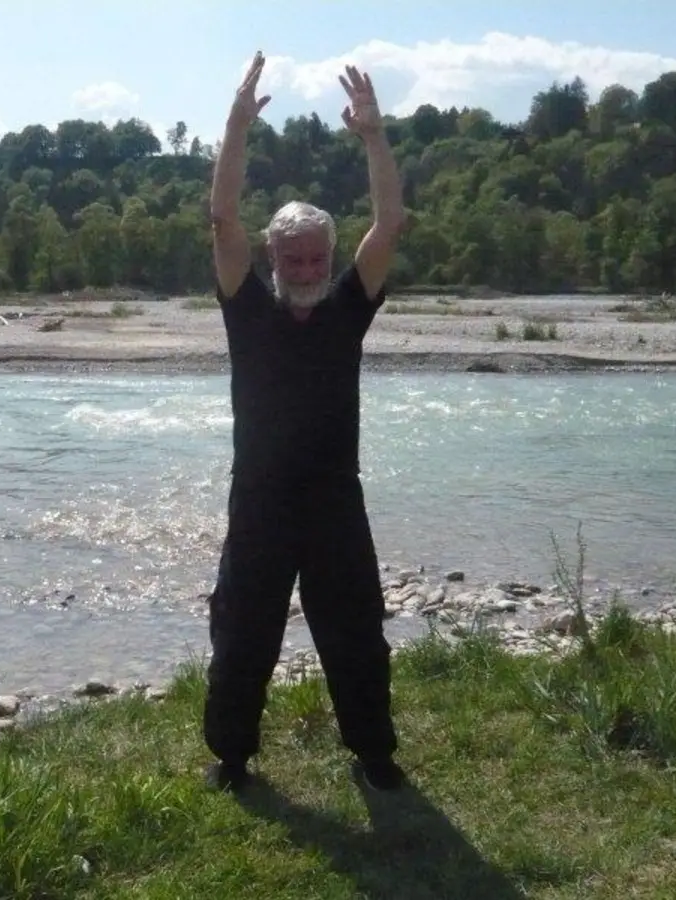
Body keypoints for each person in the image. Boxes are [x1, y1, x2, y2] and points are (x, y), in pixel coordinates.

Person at [201, 51, 409, 794]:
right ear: (273, 257)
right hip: (258, 497)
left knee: (356, 629)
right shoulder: (247, 309)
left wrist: (374, 138)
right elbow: (222, 214)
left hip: (332, 498)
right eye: (292, 255)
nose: (307, 264)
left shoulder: (349, 309)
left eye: (317, 253)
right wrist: (235, 126)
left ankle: (375, 753)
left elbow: (388, 220)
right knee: (242, 632)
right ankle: (230, 758)